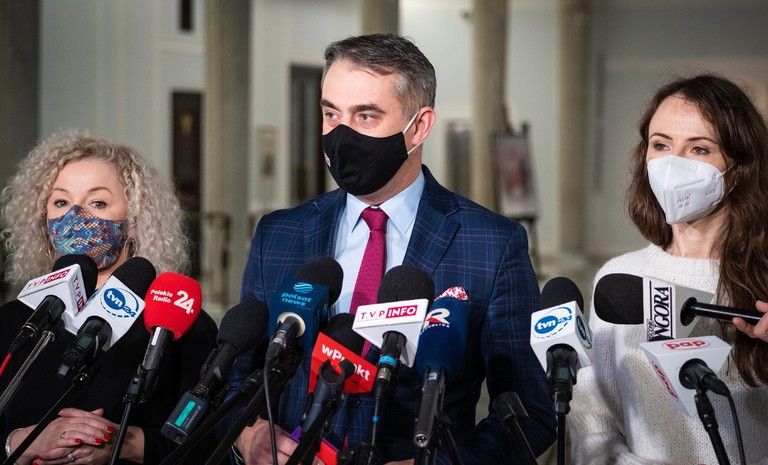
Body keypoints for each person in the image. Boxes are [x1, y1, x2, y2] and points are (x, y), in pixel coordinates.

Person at [224, 33, 556, 465]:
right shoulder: (278, 234)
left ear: (419, 126)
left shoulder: (492, 245)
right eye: (331, 114)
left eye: (366, 115)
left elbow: (529, 413)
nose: (341, 134)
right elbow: (236, 379)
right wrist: (249, 435)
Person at [569, 74, 768, 463]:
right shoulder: (619, 280)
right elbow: (593, 416)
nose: (673, 164)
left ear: (739, 166)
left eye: (699, 149)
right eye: (661, 145)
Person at [0, 130, 219, 465]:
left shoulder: (176, 321)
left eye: (97, 203)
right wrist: (22, 443)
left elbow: (214, 443)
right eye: (61, 202)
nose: (75, 217)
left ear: (134, 222)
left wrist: (126, 443)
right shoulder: (15, 320)